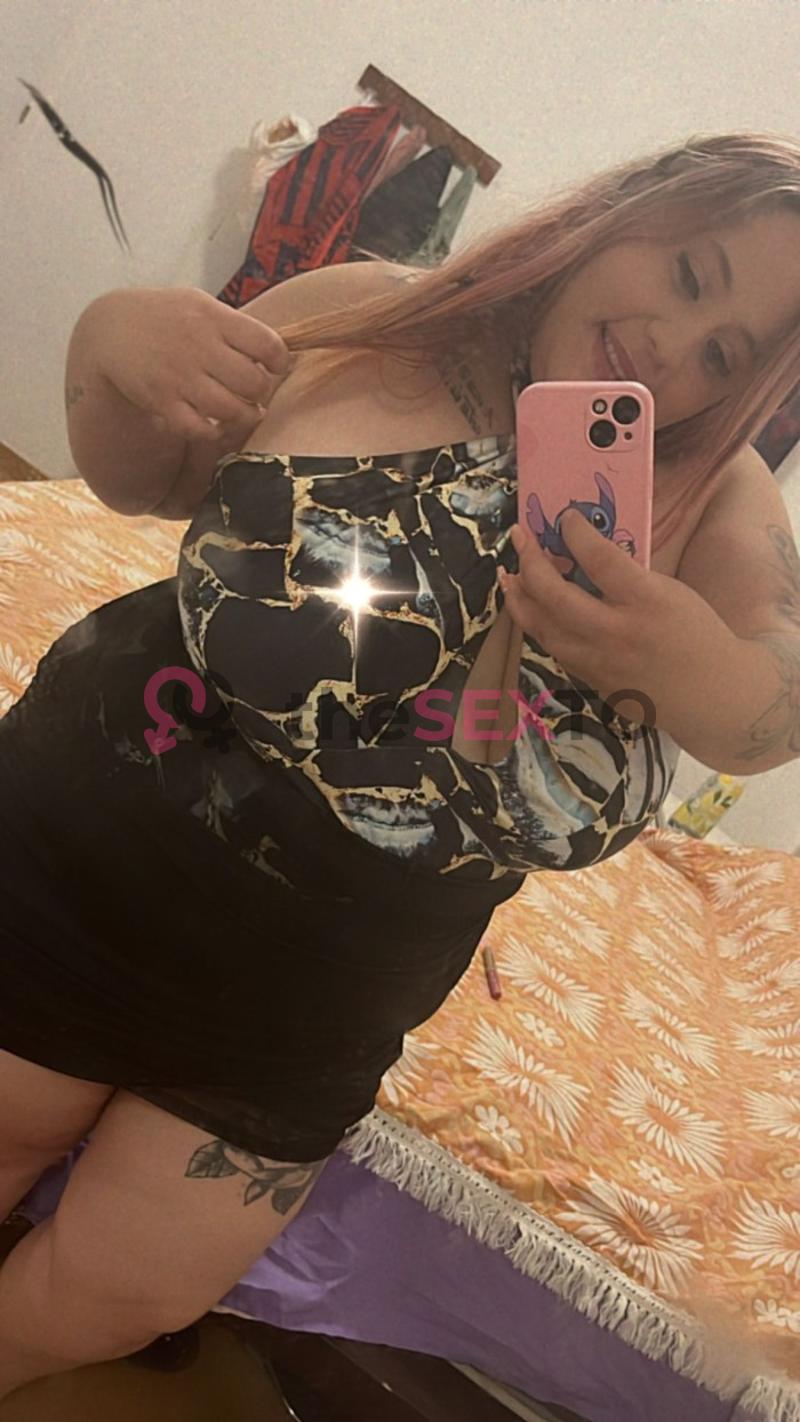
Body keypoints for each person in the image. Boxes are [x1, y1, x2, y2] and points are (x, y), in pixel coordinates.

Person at [0, 130, 799, 1401]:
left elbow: (771, 710)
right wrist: (107, 351)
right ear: (623, 209)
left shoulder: (711, 503)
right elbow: (143, 479)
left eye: (724, 356)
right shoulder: (376, 317)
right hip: (91, 861)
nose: (671, 350)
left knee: (124, 1294)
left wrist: (690, 662)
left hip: (318, 1001)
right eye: (688, 276)